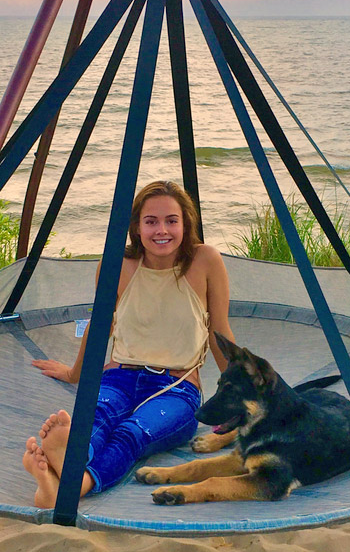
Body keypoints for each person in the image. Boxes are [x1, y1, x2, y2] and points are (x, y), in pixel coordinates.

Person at [22, 180, 232, 508]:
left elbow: (220, 332)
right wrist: (74, 373)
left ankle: (72, 483)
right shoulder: (117, 265)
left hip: (176, 387)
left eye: (171, 221)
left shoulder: (205, 261)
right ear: (136, 227)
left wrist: (244, 394)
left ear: (185, 223)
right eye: (151, 221)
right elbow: (100, 326)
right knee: (99, 418)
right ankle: (62, 469)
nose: (161, 230)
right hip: (119, 375)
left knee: (132, 433)